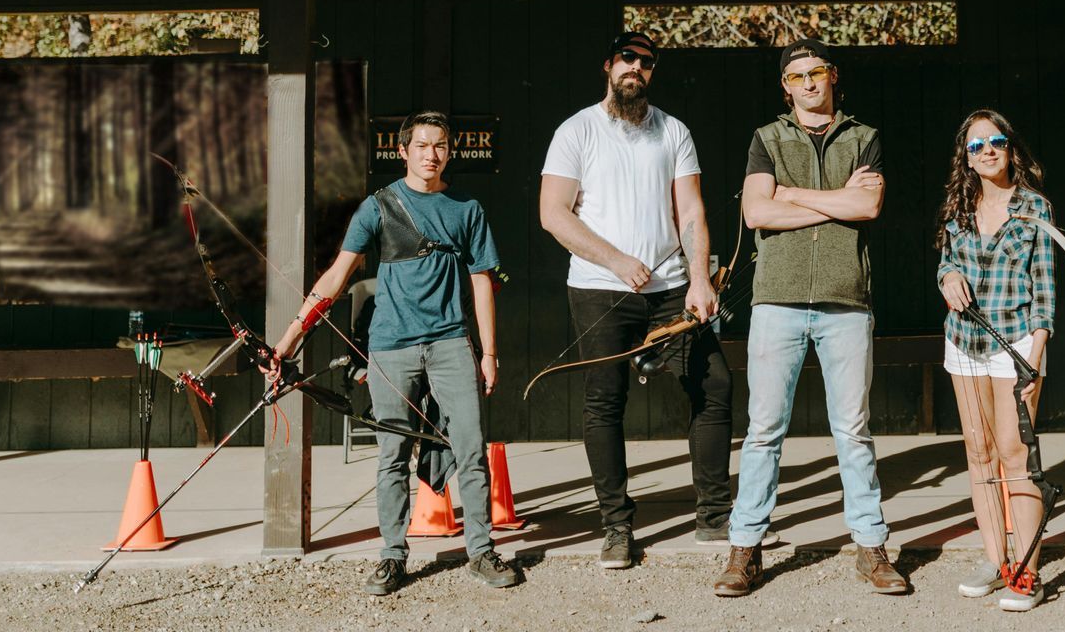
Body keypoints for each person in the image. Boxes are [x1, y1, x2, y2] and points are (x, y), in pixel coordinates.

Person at [270, 110, 521, 597]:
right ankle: (392, 556)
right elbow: (337, 276)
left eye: (441, 145)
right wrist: (288, 341)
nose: (432, 154)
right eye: (422, 145)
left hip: (452, 342)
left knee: (470, 448)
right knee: (392, 454)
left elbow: (482, 283)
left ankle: (480, 549)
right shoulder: (378, 206)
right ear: (402, 151)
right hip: (390, 345)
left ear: (451, 151)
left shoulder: (467, 208)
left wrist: (489, 353)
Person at [714, 39, 908, 598]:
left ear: (832, 76)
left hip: (846, 301)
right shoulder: (766, 138)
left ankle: (871, 549)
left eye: (816, 72)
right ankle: (744, 549)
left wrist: (791, 196)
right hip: (776, 300)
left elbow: (867, 206)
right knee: (763, 431)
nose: (808, 83)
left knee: (853, 430)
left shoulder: (863, 136)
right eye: (796, 75)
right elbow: (756, 211)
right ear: (785, 85)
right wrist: (830, 197)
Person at [539, 30, 731, 570]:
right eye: (628, 58)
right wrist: (617, 261)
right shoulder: (576, 131)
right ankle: (616, 526)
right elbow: (554, 213)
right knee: (605, 401)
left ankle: (715, 517)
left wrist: (700, 280)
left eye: (646, 63)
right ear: (608, 65)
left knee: (713, 386)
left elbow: (691, 212)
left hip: (672, 288)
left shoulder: (673, 131)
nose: (637, 69)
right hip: (600, 291)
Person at [935, 109, 1056, 612]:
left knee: (1015, 454)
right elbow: (946, 262)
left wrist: (1037, 351)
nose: (986, 151)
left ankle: (1027, 570)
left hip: (1016, 344)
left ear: (1011, 148)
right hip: (964, 342)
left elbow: (1046, 287)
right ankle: (995, 558)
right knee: (979, 451)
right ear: (965, 158)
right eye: (976, 145)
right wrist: (946, 279)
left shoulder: (1034, 208)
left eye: (996, 142)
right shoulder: (958, 209)